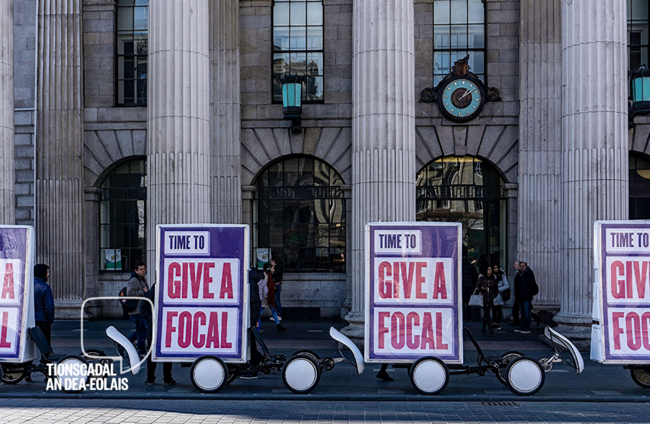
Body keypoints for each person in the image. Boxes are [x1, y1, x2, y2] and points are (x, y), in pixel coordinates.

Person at [25, 264, 54, 383]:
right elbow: (49, 307)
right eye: (47, 272)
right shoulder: (44, 287)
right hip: (42, 321)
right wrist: (50, 319)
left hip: (28, 321)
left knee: (27, 347)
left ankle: (26, 373)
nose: (48, 274)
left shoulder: (27, 285)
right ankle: (47, 373)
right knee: (45, 347)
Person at [141, 283, 174, 386]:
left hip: (154, 327)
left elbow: (143, 310)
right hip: (165, 326)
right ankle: (167, 378)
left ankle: (150, 378)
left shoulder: (150, 293)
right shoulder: (169, 292)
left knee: (152, 352)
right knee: (166, 352)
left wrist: (152, 320)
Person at [241, 268, 263, 380]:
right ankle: (256, 360)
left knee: (250, 342)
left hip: (249, 318)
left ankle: (253, 367)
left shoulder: (249, 281)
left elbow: (253, 301)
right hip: (250, 317)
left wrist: (253, 319)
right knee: (250, 342)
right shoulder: (251, 280)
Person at [127, 261, 149, 355]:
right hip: (136, 311)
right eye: (141, 269)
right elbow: (130, 293)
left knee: (142, 330)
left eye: (144, 269)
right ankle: (141, 350)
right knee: (142, 331)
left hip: (142, 310)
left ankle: (126, 342)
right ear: (136, 271)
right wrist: (143, 291)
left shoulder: (142, 279)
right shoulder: (134, 280)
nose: (143, 271)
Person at [261, 263, 286, 333]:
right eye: (272, 268)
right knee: (262, 309)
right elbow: (264, 286)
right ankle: (254, 322)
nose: (274, 270)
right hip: (266, 297)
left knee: (273, 310)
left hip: (268, 296)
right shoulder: (266, 276)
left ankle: (278, 325)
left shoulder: (268, 276)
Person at [514, 261, 538, 334]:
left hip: (526, 296)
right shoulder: (519, 274)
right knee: (522, 312)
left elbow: (532, 285)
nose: (522, 267)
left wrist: (526, 292)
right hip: (520, 296)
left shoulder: (529, 274)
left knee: (527, 312)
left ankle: (527, 327)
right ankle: (522, 326)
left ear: (526, 266)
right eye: (521, 266)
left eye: (523, 266)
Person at [475, 265, 498, 333]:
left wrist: (494, 295)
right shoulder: (482, 279)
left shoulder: (493, 279)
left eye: (491, 269)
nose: (490, 271)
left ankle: (484, 326)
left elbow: (496, 289)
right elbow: (476, 288)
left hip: (490, 298)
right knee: (487, 312)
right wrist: (481, 288)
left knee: (487, 312)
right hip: (483, 297)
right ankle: (490, 327)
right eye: (488, 269)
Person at [462, 252, 479, 322]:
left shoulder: (459, 266)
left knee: (461, 302)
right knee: (468, 302)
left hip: (461, 286)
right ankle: (470, 317)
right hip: (469, 286)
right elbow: (475, 275)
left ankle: (462, 317)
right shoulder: (470, 266)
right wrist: (473, 284)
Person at [491, 264, 509, 331]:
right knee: (493, 309)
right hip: (492, 294)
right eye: (494, 268)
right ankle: (494, 322)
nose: (496, 269)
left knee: (498, 309)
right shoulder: (491, 275)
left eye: (497, 268)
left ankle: (498, 323)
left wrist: (499, 289)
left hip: (499, 294)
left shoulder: (502, 275)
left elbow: (506, 285)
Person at [510, 261, 521, 326]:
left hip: (520, 295)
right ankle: (516, 321)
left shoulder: (520, 274)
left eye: (515, 264)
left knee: (518, 309)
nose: (514, 266)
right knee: (515, 309)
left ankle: (517, 322)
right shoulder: (519, 273)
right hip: (518, 295)